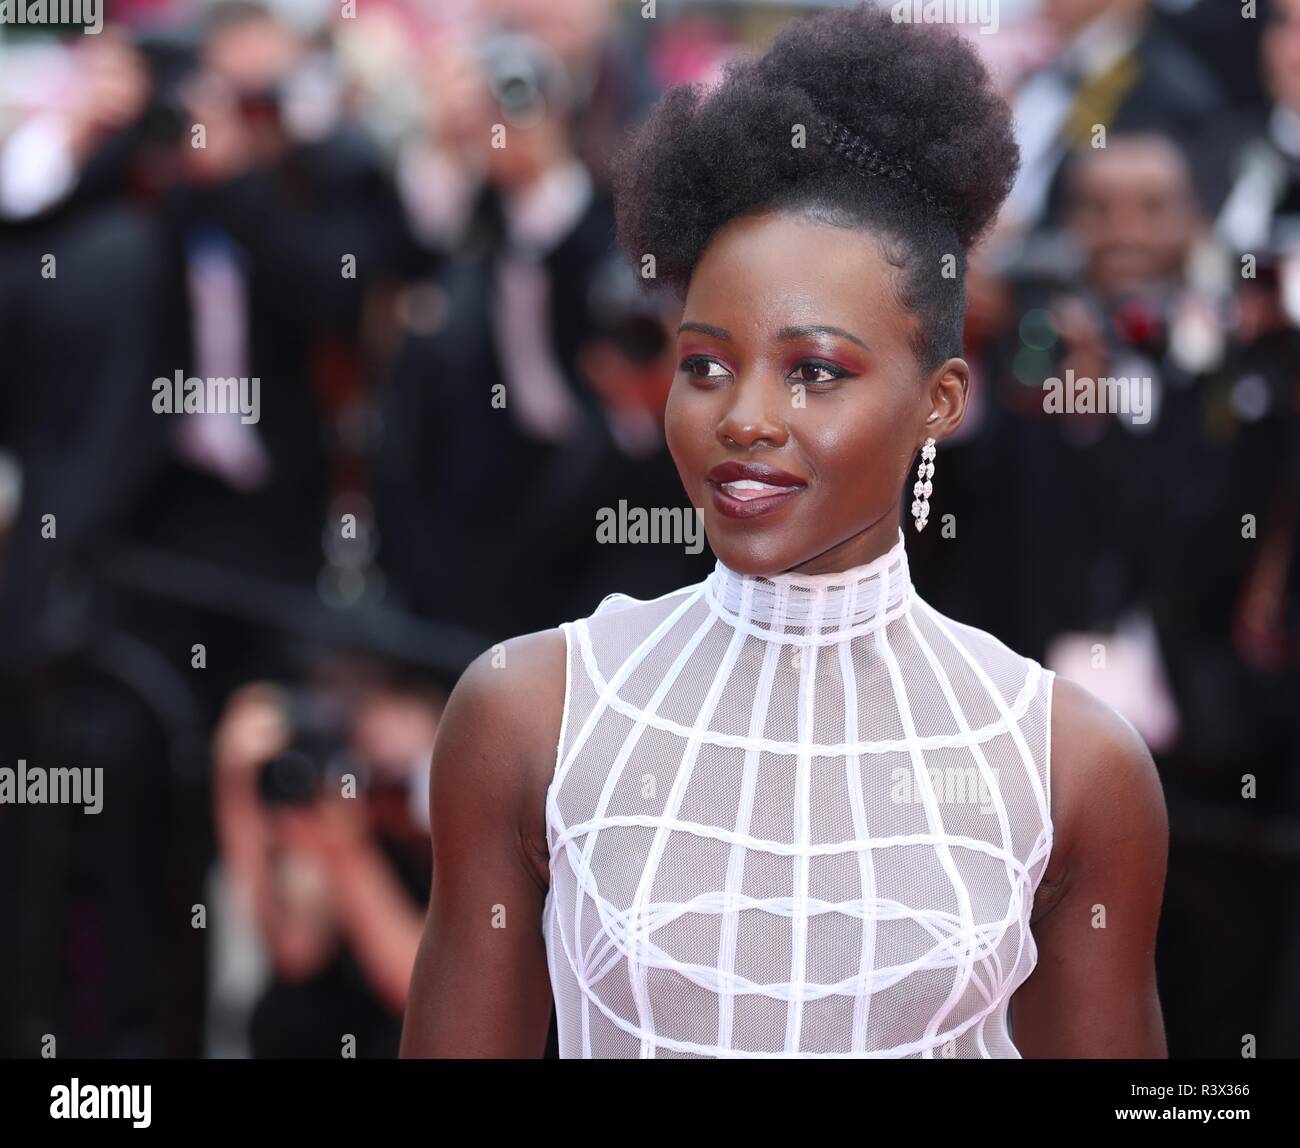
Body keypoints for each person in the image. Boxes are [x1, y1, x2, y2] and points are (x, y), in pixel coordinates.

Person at [400, 3, 1169, 1059]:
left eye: (815, 370)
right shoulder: (529, 712)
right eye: (705, 364)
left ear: (940, 399)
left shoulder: (1068, 762)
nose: (742, 417)